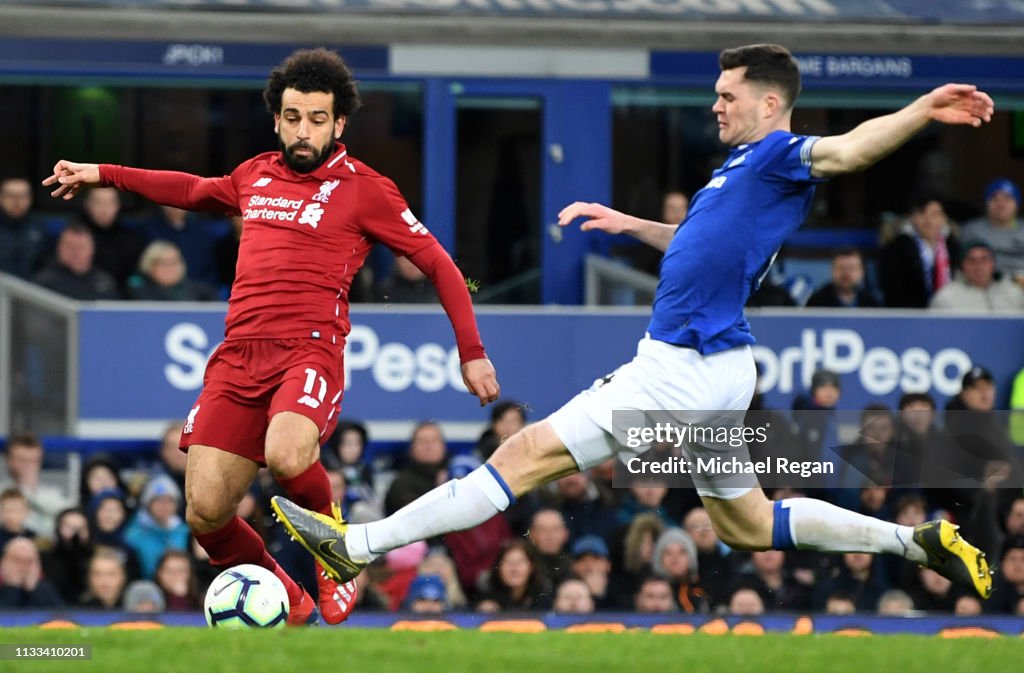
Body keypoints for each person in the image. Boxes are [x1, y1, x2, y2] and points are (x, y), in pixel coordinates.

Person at [271, 43, 994, 606]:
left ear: (770, 103)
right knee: (747, 523)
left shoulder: (777, 154)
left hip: (677, 365)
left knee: (522, 454)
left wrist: (922, 109)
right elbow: (697, 245)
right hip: (720, 363)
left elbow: (849, 149)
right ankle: (915, 539)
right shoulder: (741, 168)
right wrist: (627, 223)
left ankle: (358, 544)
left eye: (726, 95)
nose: (714, 106)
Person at [44, 47, 500, 626]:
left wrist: (473, 353)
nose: (302, 130)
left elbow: (437, 263)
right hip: (237, 358)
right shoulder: (255, 173)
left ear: (339, 124)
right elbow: (191, 190)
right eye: (291, 117)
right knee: (205, 512)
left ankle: (335, 558)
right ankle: (288, 594)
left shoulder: (366, 189)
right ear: (277, 118)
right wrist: (101, 173)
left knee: (288, 454)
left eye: (316, 119)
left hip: (310, 349)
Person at [879, 194, 960, 308]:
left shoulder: (952, 245)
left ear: (944, 218)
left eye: (935, 215)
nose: (929, 221)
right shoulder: (898, 247)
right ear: (913, 218)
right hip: (910, 315)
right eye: (922, 214)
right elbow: (893, 290)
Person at [31, 223, 121, 300]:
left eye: (81, 247)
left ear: (92, 249)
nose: (76, 252)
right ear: (59, 248)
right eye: (70, 246)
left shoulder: (105, 282)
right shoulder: (44, 283)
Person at [929, 239, 1024, 311]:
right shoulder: (946, 297)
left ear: (993, 264)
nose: (979, 266)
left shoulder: (1013, 293)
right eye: (972, 260)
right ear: (963, 266)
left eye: (984, 259)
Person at [962, 178, 1024, 285]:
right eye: (995, 199)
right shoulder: (972, 230)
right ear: (986, 203)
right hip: (982, 286)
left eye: (1007, 199)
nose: (1001, 204)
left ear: (1017, 204)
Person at [804, 247, 881, 308]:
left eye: (851, 268)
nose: (846, 273)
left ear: (862, 272)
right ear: (832, 270)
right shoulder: (816, 302)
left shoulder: (872, 304)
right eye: (841, 268)